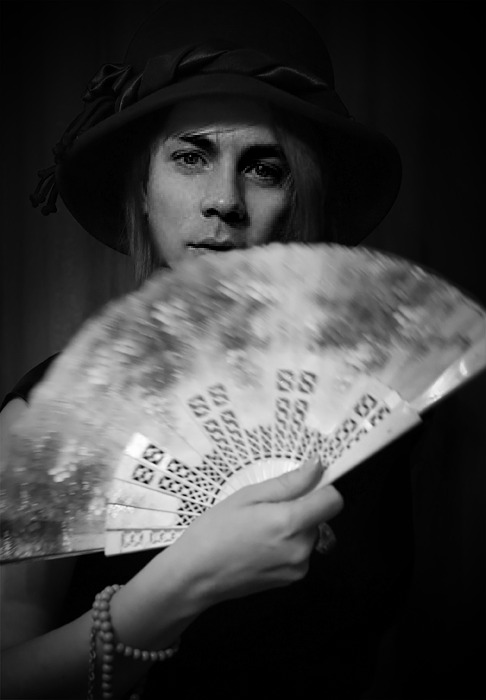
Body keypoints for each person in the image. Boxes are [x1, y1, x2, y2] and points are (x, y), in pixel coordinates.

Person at [0, 1, 455, 698]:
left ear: (300, 196)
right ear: (141, 187)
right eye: (190, 157)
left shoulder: (376, 414)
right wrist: (182, 582)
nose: (224, 200)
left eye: (265, 168)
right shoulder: (48, 422)